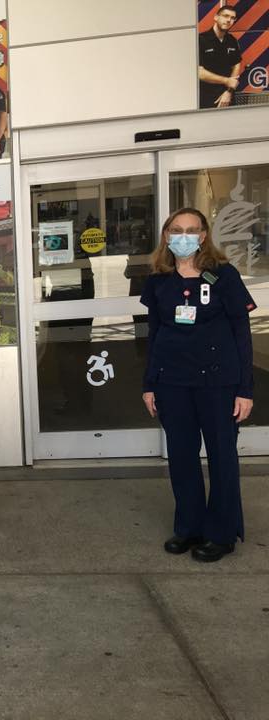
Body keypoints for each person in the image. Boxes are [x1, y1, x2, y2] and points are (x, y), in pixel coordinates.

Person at [141, 207, 254, 563]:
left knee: (222, 457)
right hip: (173, 384)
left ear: (204, 235)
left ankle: (221, 533)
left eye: (192, 229)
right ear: (166, 235)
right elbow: (155, 335)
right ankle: (189, 527)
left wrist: (245, 389)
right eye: (177, 229)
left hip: (218, 383)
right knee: (182, 458)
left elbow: (241, 332)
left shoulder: (223, 277)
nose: (184, 236)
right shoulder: (159, 280)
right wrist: (150, 384)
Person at [198, 5, 242, 109]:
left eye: (232, 18)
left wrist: (229, 92)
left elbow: (236, 64)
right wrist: (227, 81)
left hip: (228, 97)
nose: (229, 20)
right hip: (207, 98)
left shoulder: (232, 41)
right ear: (216, 17)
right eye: (225, 16)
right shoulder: (201, 40)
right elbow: (199, 73)